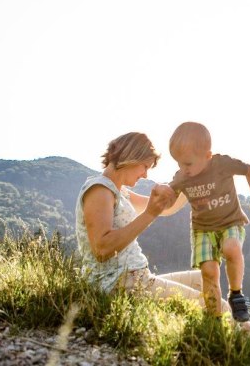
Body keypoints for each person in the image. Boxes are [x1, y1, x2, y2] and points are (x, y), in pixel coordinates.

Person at [75, 132, 229, 311]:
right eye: (145, 166)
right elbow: (101, 249)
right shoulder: (100, 190)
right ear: (132, 157)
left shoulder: (120, 192)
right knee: (220, 307)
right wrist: (149, 214)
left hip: (136, 276)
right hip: (119, 282)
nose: (146, 174)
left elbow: (166, 208)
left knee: (204, 278)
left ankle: (246, 334)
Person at [168, 122, 250, 322]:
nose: (183, 169)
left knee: (231, 248)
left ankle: (236, 294)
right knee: (209, 271)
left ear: (207, 156)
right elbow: (170, 194)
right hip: (202, 229)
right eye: (179, 164)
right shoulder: (182, 177)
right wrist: (161, 194)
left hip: (230, 221)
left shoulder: (221, 164)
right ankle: (214, 319)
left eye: (188, 163)